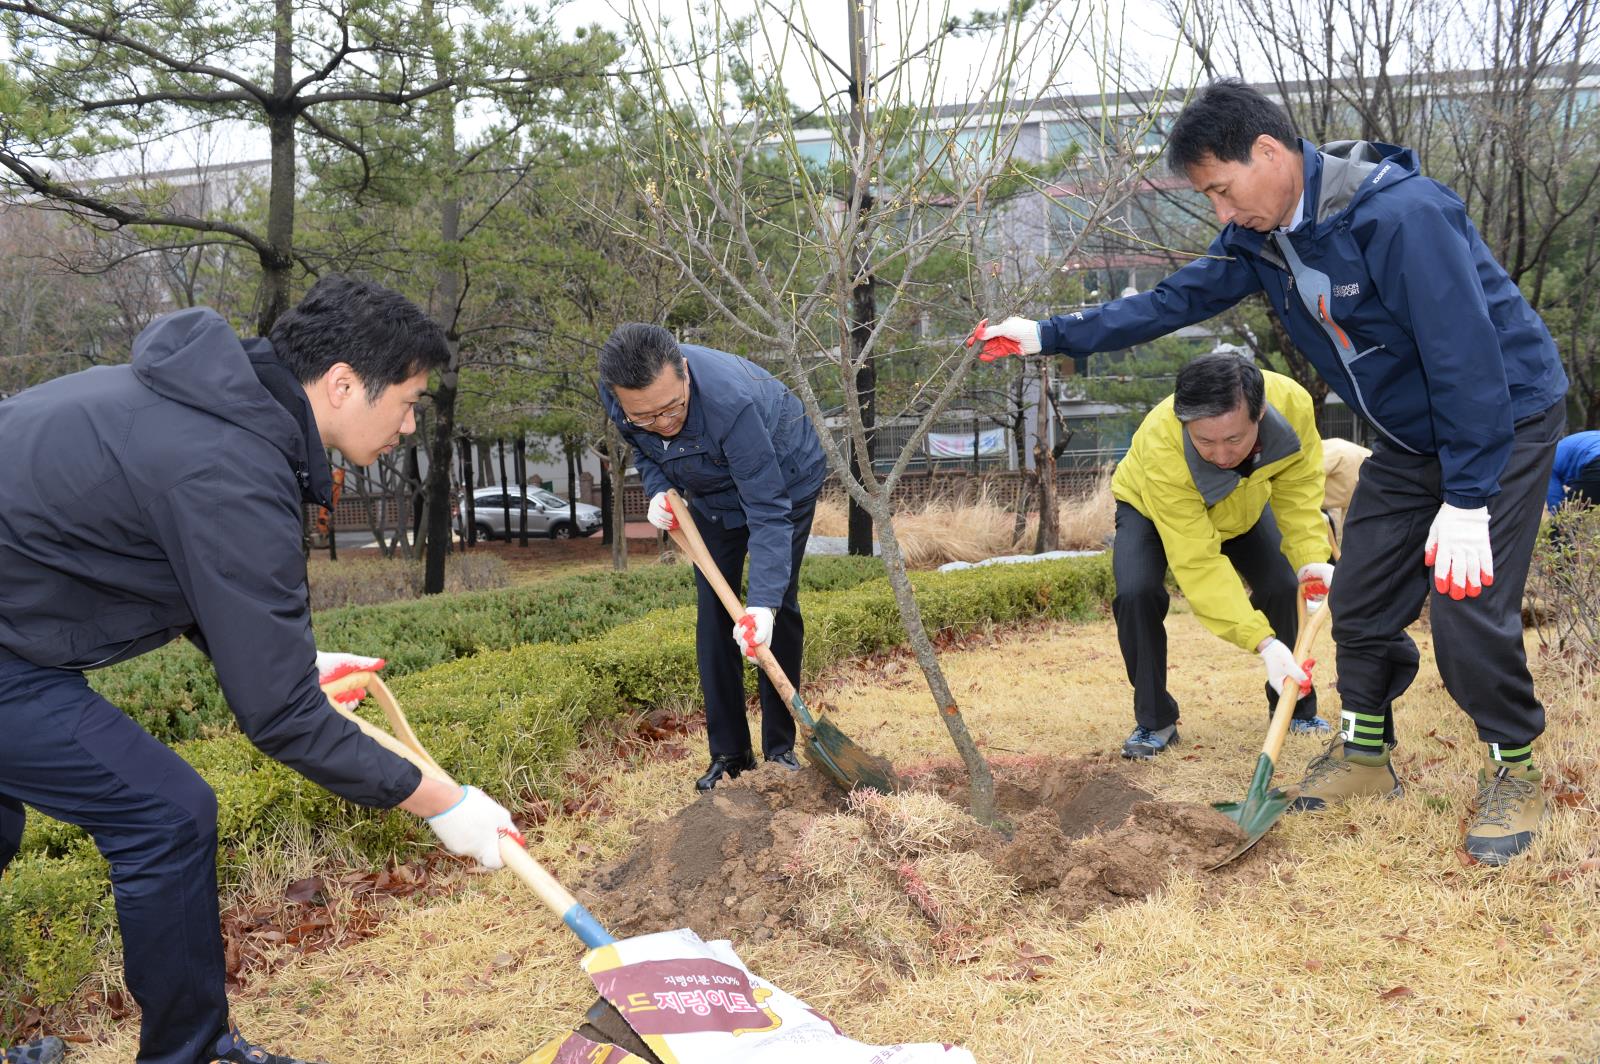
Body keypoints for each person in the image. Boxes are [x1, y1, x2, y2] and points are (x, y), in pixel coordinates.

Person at [969, 79, 1568, 864]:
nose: (1222, 212)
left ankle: (1514, 769)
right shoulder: (1265, 239)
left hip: (1500, 421)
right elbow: (1171, 301)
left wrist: (1466, 499)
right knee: (1359, 600)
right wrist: (1048, 334)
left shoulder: (1402, 217)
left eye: (1223, 189)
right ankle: (1364, 755)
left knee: (1466, 605)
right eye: (1209, 198)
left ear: (1269, 152)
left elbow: (1466, 358)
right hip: (1413, 439)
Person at [0, 276, 518, 1063]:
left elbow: (181, 572)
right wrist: (446, 804)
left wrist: (294, 659)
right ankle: (194, 1053)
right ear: (342, 384)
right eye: (409, 401)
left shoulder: (212, 412)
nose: (411, 424)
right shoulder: (229, 465)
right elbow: (280, 717)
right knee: (166, 815)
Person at [597, 324, 827, 791]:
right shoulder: (620, 396)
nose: (664, 423)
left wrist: (762, 605)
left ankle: (780, 750)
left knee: (776, 608)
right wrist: (660, 489)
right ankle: (730, 755)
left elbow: (768, 511)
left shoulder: (729, 403)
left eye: (672, 408)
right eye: (646, 415)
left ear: (684, 372)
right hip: (709, 492)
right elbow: (644, 449)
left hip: (785, 479)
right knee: (715, 612)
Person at [1108, 354, 1332, 759]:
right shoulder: (1162, 445)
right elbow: (1199, 562)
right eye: (1205, 442)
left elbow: (1299, 493)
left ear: (1259, 413)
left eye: (1234, 439)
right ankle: (1155, 720)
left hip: (1244, 506)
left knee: (1285, 585)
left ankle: (1294, 709)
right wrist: (1263, 642)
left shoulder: (1292, 403)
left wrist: (1311, 561)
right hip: (1153, 509)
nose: (1222, 456)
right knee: (1136, 593)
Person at [1545, 430, 1600, 513]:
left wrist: (1558, 514)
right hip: (1593, 457)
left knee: (1567, 515)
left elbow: (1555, 502)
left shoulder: (1548, 461)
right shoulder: (1567, 445)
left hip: (1596, 462)